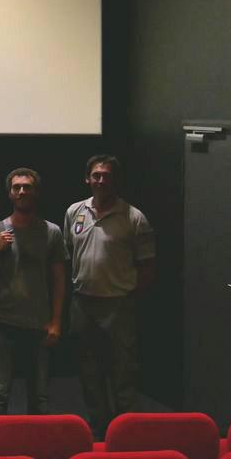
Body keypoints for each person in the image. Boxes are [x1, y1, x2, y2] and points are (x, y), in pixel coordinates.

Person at [0, 168, 67, 417]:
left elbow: (59, 280)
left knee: (40, 396)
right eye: (17, 187)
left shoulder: (51, 231)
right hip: (2, 323)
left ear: (36, 193)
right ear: (10, 194)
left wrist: (55, 321)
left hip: (39, 324)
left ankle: (37, 449)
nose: (22, 192)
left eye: (27, 187)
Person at [64, 155, 155, 435]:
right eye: (96, 175)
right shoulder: (74, 212)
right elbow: (69, 253)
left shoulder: (134, 217)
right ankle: (100, 429)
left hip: (118, 304)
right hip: (83, 302)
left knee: (123, 370)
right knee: (88, 370)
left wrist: (129, 297)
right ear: (87, 179)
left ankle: (126, 432)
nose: (100, 180)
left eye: (106, 175)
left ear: (114, 180)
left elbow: (147, 266)